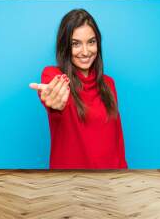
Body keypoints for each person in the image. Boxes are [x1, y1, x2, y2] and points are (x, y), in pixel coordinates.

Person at [29, 9, 127, 169]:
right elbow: (53, 97)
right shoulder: (54, 76)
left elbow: (117, 136)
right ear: (65, 46)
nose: (86, 52)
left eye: (91, 42)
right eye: (76, 44)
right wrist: (54, 102)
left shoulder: (109, 83)